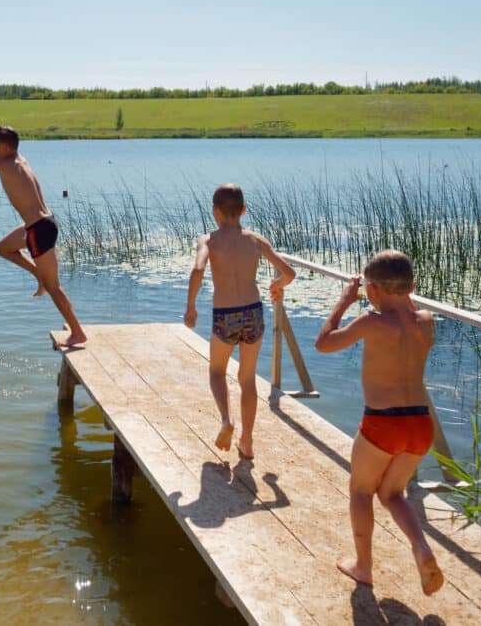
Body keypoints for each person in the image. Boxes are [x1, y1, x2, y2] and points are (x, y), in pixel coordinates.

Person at [315, 250, 443, 596]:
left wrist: (343, 303)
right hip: (420, 424)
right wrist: (389, 291)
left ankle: (363, 567)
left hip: (383, 423)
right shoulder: (427, 321)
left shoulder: (372, 321)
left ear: (371, 291)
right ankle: (422, 547)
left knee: (361, 490)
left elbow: (323, 344)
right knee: (392, 493)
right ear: (412, 286)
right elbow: (407, 309)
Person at [0, 116, 86, 347]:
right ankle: (38, 276)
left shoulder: (4, 165)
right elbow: (2, 150)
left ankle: (77, 332)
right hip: (44, 223)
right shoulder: (19, 159)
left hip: (38, 230)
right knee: (3, 248)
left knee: (54, 287)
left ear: (3, 147)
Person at [184, 183, 296, 459]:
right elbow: (289, 272)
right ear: (243, 210)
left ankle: (226, 419)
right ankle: (247, 441)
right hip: (253, 313)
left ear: (215, 211)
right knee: (247, 379)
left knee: (217, 372)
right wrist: (277, 284)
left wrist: (191, 306)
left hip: (225, 315)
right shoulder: (255, 239)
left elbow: (198, 269)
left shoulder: (208, 240)